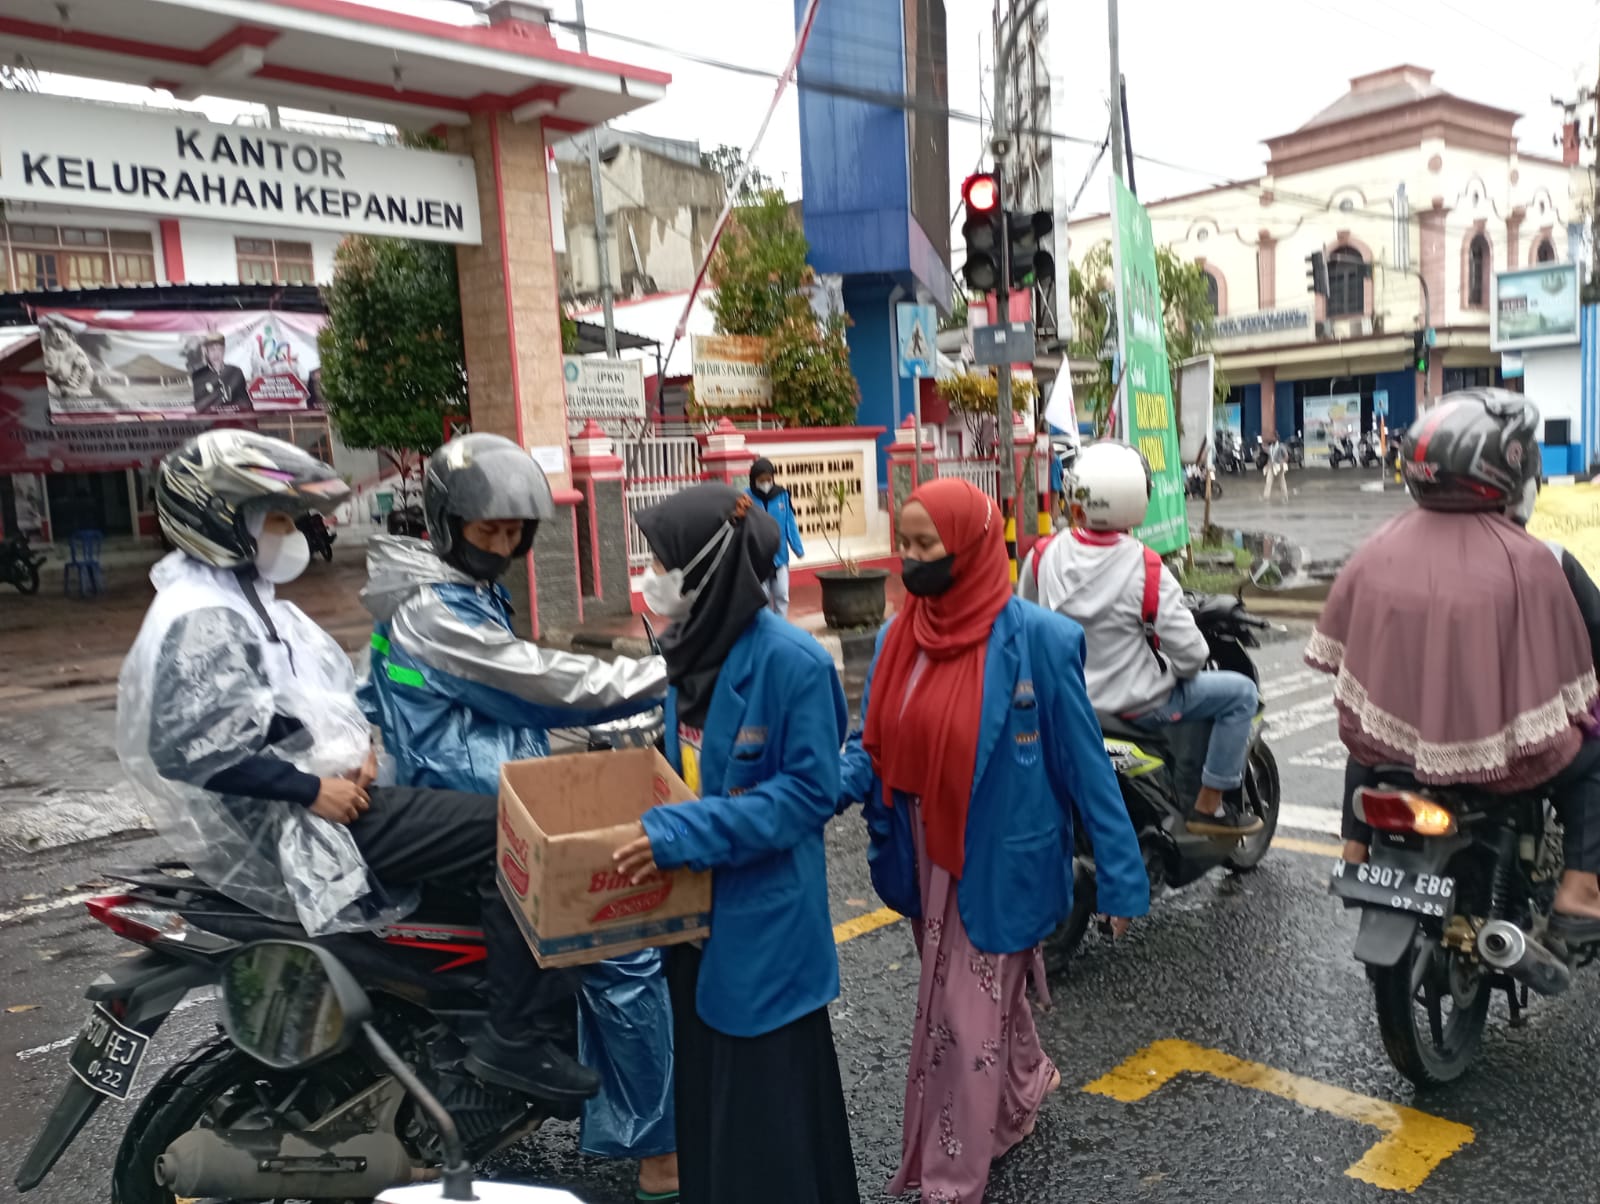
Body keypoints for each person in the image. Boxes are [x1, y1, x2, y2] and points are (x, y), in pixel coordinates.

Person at [117, 429, 598, 1108]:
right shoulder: (204, 613)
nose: (291, 534)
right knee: (513, 836)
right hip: (294, 825)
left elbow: (299, 709)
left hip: (315, 804)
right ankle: (514, 1037)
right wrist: (312, 789)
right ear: (222, 519)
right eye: (276, 519)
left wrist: (358, 749)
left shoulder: (241, 598)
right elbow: (187, 746)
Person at [359, 433, 679, 1200]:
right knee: (621, 942)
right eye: (487, 532)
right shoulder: (435, 613)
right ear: (445, 525)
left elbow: (485, 707)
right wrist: (668, 671)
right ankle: (660, 1153)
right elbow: (541, 682)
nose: (501, 546)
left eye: (513, 533)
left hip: (473, 788)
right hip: (469, 811)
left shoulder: (446, 595)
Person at [842, 477, 1150, 1204]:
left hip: (999, 860)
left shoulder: (1040, 643)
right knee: (979, 1001)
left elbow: (1084, 766)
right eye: (904, 543)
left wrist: (1119, 878)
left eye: (926, 545)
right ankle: (1019, 1089)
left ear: (972, 548)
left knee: (959, 1015)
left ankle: (951, 1179)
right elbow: (871, 746)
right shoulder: (898, 638)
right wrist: (816, 789)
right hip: (922, 855)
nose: (909, 559)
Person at [610, 483, 859, 1204]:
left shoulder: (793, 664)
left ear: (709, 565)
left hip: (766, 933)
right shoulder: (686, 655)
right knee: (711, 1110)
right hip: (690, 928)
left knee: (770, 1132)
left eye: (664, 560)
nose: (653, 574)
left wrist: (684, 831)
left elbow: (810, 795)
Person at [1309, 392, 1600, 941]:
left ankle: (1354, 846)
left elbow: (1353, 667)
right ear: (1512, 470)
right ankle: (1579, 889)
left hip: (1397, 755)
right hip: (1501, 764)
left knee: (1363, 730)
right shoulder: (1542, 558)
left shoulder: (1377, 549)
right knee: (1592, 759)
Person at [1027, 441, 1263, 836]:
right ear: (1138, 498)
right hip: (1138, 705)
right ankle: (1209, 806)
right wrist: (1170, 665)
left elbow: (1028, 622)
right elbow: (1191, 655)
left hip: (1066, 702)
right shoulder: (1147, 567)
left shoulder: (1042, 555)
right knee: (1241, 693)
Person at [745, 457, 804, 616]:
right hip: (757, 558)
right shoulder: (746, 498)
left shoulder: (782, 495)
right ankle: (764, 630)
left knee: (782, 596)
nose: (765, 483)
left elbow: (789, 522)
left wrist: (798, 548)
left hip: (780, 556)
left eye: (768, 479)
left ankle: (780, 628)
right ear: (753, 479)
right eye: (761, 480)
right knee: (761, 599)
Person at [191, 331, 252, 413]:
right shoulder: (198, 375)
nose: (216, 354)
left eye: (219, 349)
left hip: (234, 419)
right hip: (211, 421)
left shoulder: (235, 372)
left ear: (224, 350)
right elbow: (199, 405)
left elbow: (245, 401)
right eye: (212, 349)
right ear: (206, 352)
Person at [1262, 432, 1289, 499]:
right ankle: (1266, 496)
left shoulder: (1281, 446)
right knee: (1268, 481)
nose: (1271, 439)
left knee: (1282, 481)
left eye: (1272, 438)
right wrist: (1267, 465)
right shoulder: (1271, 447)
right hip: (1272, 466)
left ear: (1276, 438)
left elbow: (1286, 456)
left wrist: (1281, 463)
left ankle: (1285, 496)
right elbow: (1270, 457)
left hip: (1279, 467)